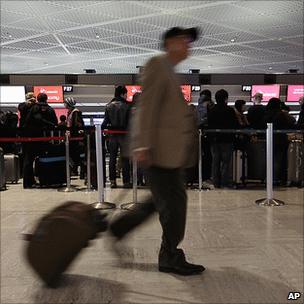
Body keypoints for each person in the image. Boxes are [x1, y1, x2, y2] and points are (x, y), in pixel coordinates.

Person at [109, 27, 205, 276]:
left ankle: (120, 228)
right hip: (158, 152)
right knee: (174, 205)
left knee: (161, 202)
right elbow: (146, 107)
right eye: (184, 41)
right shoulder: (157, 64)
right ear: (171, 43)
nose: (188, 46)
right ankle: (170, 256)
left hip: (168, 154)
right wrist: (142, 144)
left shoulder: (169, 70)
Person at [22, 93, 58, 188]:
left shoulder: (33, 108)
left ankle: (27, 183)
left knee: (29, 160)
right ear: (46, 99)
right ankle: (46, 179)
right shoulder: (50, 109)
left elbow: (27, 121)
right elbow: (55, 123)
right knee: (45, 158)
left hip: (31, 137)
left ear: (37, 99)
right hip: (45, 138)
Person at [101, 86, 131, 188]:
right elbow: (129, 123)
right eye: (126, 94)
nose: (127, 96)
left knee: (112, 159)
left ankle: (113, 181)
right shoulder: (127, 106)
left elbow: (105, 123)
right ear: (122, 94)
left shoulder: (108, 106)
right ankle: (126, 181)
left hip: (112, 136)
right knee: (125, 159)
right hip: (124, 135)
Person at [208, 89, 238, 188]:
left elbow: (209, 124)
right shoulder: (230, 110)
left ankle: (215, 182)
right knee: (226, 162)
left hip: (214, 140)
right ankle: (224, 182)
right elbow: (234, 124)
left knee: (215, 162)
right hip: (227, 140)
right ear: (226, 98)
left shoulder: (212, 110)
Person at [264, 97, 296, 185]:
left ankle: (268, 179)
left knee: (269, 160)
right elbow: (289, 123)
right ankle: (275, 179)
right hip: (280, 140)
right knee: (278, 160)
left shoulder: (266, 113)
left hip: (268, 139)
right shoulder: (280, 114)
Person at [196, 89, 214, 189]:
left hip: (199, 135)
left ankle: (200, 178)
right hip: (209, 134)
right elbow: (209, 119)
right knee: (209, 157)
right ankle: (207, 178)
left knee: (201, 157)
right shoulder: (209, 105)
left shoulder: (197, 106)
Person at [64, 97, 84, 175]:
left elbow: (76, 125)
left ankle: (76, 170)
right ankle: (75, 169)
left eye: (65, 103)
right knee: (74, 154)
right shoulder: (70, 112)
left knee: (75, 154)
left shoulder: (75, 112)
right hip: (71, 137)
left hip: (75, 138)